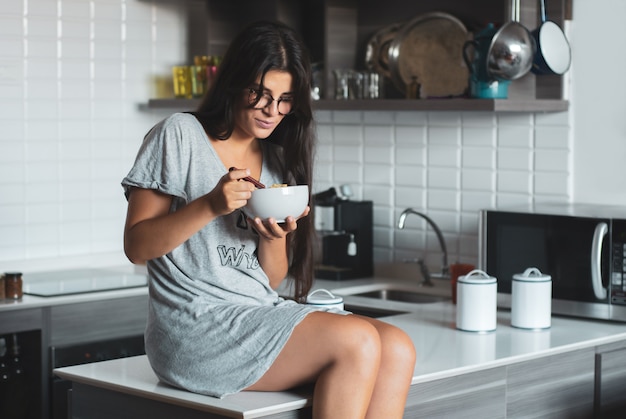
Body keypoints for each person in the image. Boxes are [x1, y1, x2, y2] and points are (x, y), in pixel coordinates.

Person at [121, 20, 415, 419]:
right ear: (235, 83)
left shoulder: (275, 161)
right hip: (194, 331)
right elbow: (137, 248)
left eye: (285, 100)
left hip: (256, 312)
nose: (272, 111)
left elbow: (270, 280)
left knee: (398, 347)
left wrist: (274, 235)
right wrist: (210, 205)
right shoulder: (179, 135)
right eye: (260, 94)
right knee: (357, 340)